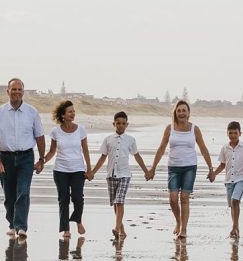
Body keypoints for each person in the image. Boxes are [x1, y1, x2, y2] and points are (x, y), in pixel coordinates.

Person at [0, 78, 46, 238]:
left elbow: (40, 137)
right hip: (5, 157)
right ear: (8, 91)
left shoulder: (32, 112)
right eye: (14, 89)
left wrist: (42, 159)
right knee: (9, 195)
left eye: (19, 90)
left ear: (23, 92)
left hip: (26, 157)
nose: (17, 92)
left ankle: (21, 227)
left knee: (23, 192)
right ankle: (12, 224)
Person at [148, 100, 215, 239]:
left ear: (188, 113)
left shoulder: (194, 129)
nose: (181, 113)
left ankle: (183, 230)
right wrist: (152, 168)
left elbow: (203, 148)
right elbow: (161, 148)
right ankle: (178, 222)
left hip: (190, 166)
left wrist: (211, 168)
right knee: (173, 199)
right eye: (179, 111)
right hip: (173, 167)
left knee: (184, 198)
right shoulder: (169, 128)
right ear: (175, 113)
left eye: (184, 110)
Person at [88, 111, 151, 240]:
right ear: (114, 124)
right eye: (118, 123)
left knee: (120, 201)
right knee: (115, 204)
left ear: (127, 124)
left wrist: (146, 171)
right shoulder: (108, 139)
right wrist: (93, 172)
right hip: (110, 175)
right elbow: (102, 157)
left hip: (125, 174)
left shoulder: (130, 140)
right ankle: (121, 229)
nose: (121, 126)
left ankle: (116, 228)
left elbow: (137, 156)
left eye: (123, 123)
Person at [43, 100, 91, 239]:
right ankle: (65, 229)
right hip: (60, 170)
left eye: (74, 111)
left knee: (78, 198)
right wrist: (42, 161)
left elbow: (86, 151)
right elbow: (52, 152)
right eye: (70, 112)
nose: (73, 114)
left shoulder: (81, 130)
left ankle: (78, 221)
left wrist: (89, 169)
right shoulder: (55, 132)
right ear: (63, 115)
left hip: (77, 170)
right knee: (63, 199)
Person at [209, 121, 243, 239]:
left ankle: (234, 227)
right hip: (229, 180)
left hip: (241, 178)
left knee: (235, 201)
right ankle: (236, 227)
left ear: (240, 133)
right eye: (230, 133)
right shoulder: (224, 148)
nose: (233, 135)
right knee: (232, 205)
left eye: (235, 133)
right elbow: (223, 165)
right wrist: (214, 173)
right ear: (227, 133)